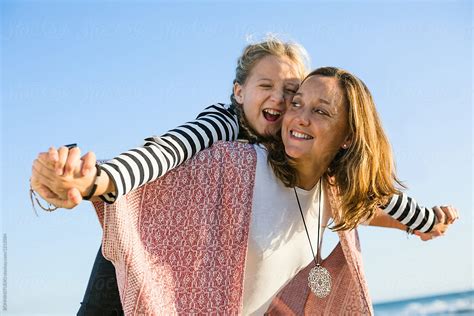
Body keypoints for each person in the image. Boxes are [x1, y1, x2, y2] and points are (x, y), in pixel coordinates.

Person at [31, 66, 458, 314]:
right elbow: (161, 159)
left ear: (348, 136)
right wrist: (89, 181)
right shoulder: (237, 162)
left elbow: (378, 202)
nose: (298, 116)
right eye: (297, 103)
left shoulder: (335, 191)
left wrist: (427, 223)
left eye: (320, 110)